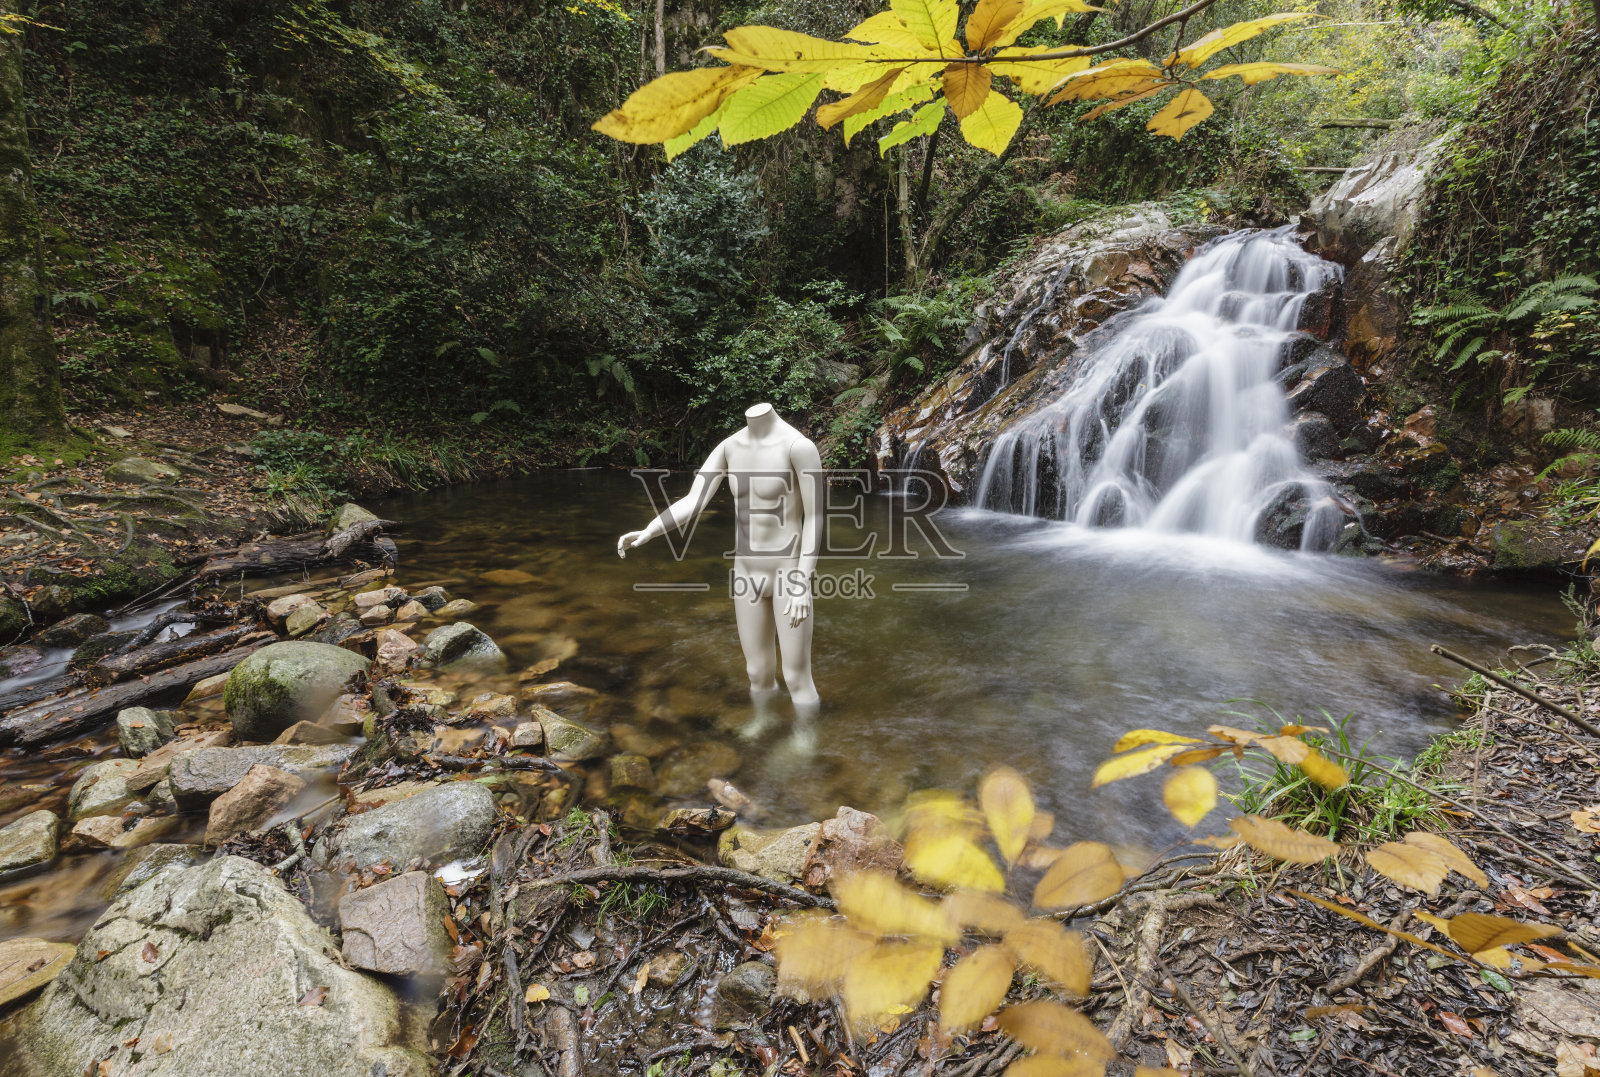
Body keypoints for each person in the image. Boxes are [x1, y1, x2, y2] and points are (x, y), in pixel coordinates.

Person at [617, 402, 822, 706]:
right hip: (746, 574)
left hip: (788, 573)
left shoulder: (798, 447)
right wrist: (651, 529)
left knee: (796, 676)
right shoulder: (729, 447)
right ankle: (762, 725)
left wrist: (803, 581)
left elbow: (816, 517)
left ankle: (805, 744)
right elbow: (694, 500)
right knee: (757, 671)